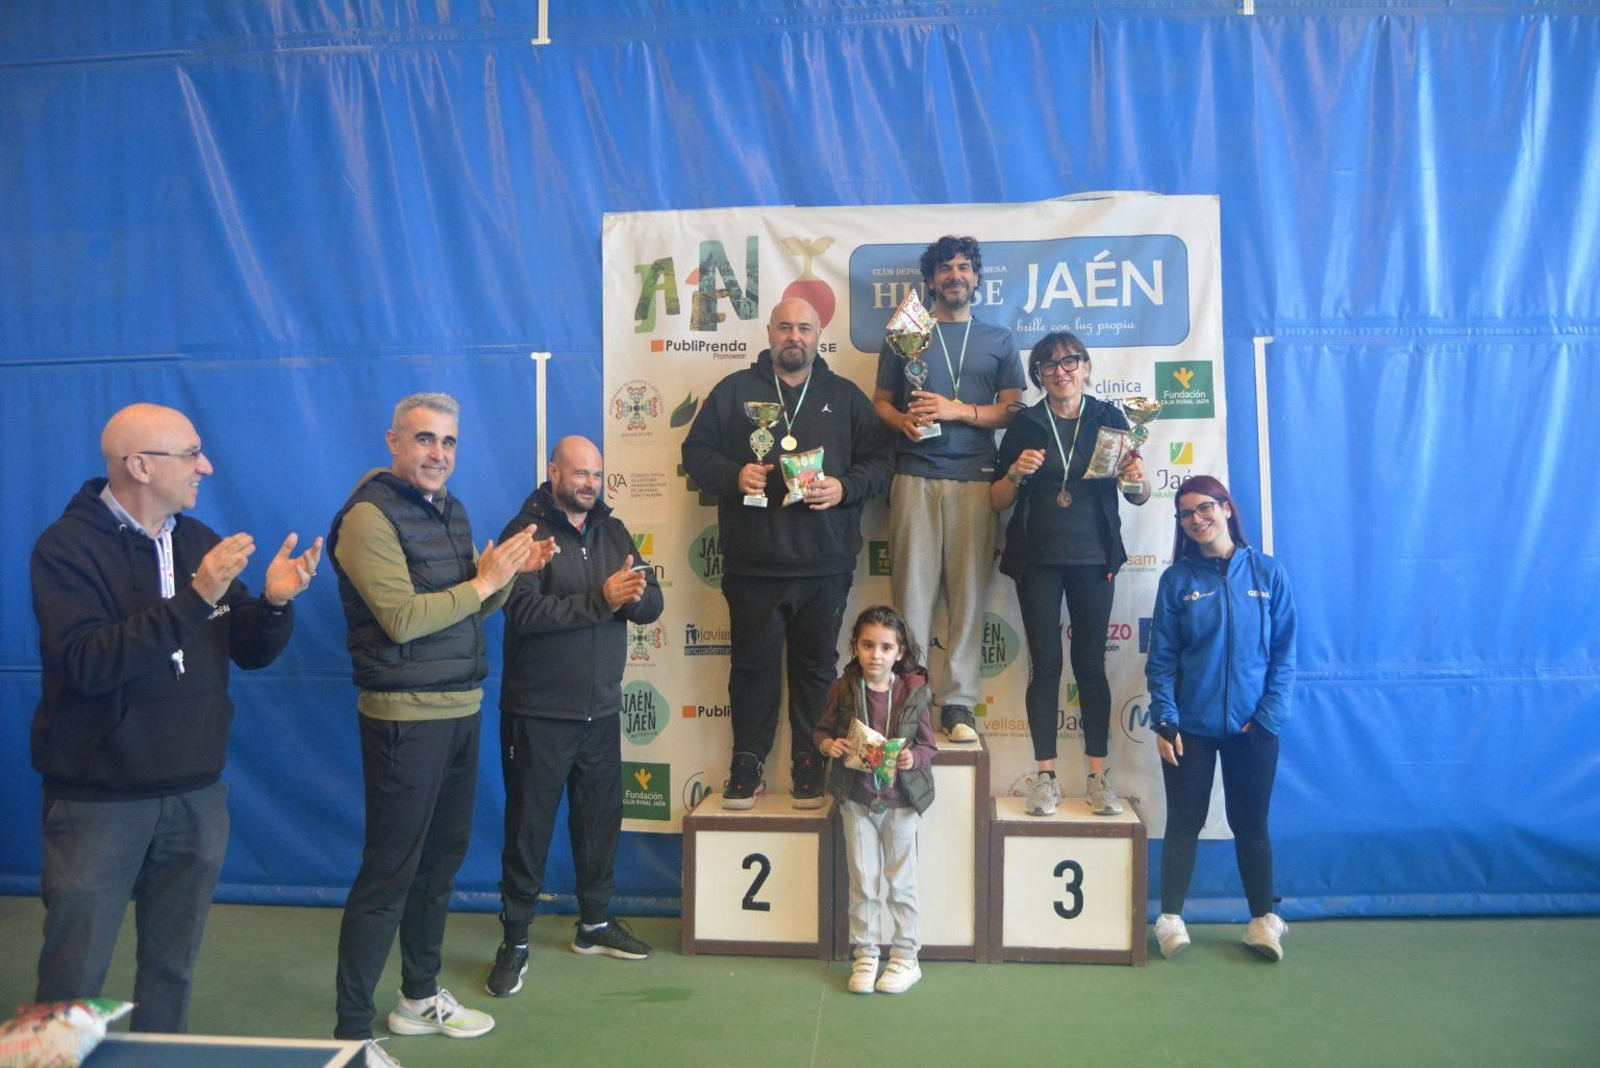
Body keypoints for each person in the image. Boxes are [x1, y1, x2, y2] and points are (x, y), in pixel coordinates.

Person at [30, 403, 321, 1033]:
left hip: (194, 795)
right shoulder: (66, 549)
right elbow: (86, 664)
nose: (206, 467)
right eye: (191, 455)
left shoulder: (197, 540)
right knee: (71, 978)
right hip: (98, 803)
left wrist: (273, 602)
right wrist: (196, 598)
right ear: (139, 465)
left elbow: (249, 649)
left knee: (172, 970)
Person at [328, 392, 551, 1060]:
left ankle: (418, 999)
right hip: (403, 721)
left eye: (449, 442)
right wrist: (484, 583)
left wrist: (506, 577)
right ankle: (348, 1036)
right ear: (393, 441)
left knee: (439, 867)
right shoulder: (366, 518)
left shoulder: (450, 511)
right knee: (389, 875)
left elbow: (460, 612)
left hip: (460, 711)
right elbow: (400, 620)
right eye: (424, 439)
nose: (437, 454)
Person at [681, 297, 891, 809]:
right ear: (769, 332)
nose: (793, 336)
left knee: (816, 669)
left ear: (819, 335)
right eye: (784, 327)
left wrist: (843, 488)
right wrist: (734, 475)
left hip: (825, 563)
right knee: (751, 669)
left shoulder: (844, 397)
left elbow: (883, 461)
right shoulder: (734, 391)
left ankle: (808, 759)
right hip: (752, 563)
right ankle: (747, 762)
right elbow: (694, 454)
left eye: (804, 327)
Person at [486, 436, 664, 998]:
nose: (589, 483)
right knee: (528, 830)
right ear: (553, 471)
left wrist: (634, 598)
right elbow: (524, 610)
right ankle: (514, 940)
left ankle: (594, 923)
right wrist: (603, 600)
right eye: (580, 473)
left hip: (601, 711)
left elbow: (652, 602)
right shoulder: (527, 531)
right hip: (538, 712)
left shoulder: (613, 531)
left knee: (598, 823)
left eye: (596, 475)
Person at [990, 332, 1150, 818]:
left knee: (1090, 666)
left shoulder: (1109, 418)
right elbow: (996, 499)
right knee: (1045, 666)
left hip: (1094, 557)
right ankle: (1045, 778)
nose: (1060, 371)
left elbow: (1139, 497)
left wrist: (1138, 481)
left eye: (1069, 362)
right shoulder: (1027, 424)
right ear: (1038, 376)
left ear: (1086, 367)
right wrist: (1016, 473)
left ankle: (1099, 778)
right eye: (1048, 366)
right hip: (1036, 560)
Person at [873, 236, 1023, 743]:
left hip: (977, 479)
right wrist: (902, 425)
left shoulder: (999, 339)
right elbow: (881, 403)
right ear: (931, 280)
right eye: (944, 269)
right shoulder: (905, 334)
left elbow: (1012, 409)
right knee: (909, 599)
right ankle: (908, 698)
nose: (954, 276)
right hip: (913, 474)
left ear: (977, 279)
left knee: (968, 598)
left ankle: (957, 704)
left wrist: (956, 410)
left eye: (964, 267)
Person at [1145, 475, 1297, 962]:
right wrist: (1165, 720)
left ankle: (1261, 922)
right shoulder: (1177, 581)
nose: (1196, 519)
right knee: (1184, 820)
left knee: (1250, 823)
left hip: (1254, 729)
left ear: (1227, 508)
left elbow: (1284, 655)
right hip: (1190, 728)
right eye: (1186, 513)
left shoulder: (1268, 575)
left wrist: (1269, 718)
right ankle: (1169, 919)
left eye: (1205, 508)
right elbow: (1162, 659)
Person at [815, 605, 937, 994]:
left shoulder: (913, 692)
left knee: (901, 883)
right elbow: (820, 732)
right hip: (857, 799)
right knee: (863, 882)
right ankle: (865, 955)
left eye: (886, 647)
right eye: (868, 645)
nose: (876, 655)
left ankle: (905, 957)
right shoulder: (843, 688)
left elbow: (928, 746)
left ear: (899, 652)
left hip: (900, 801)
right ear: (855, 647)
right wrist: (829, 745)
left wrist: (910, 758)